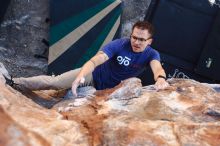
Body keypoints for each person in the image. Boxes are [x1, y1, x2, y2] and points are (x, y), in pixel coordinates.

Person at [3, 21, 169, 96]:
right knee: (54, 83)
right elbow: (95, 61)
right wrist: (80, 77)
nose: (136, 42)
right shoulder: (120, 44)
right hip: (93, 76)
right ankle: (13, 81)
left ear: (150, 41)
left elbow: (157, 68)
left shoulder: (152, 54)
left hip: (112, 92)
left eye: (141, 40)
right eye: (134, 37)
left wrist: (160, 79)